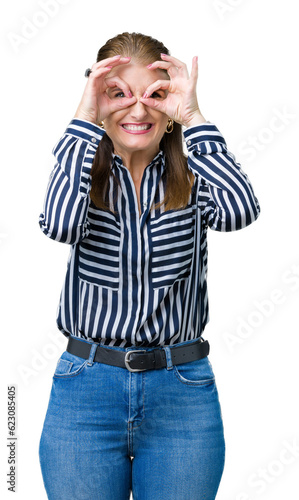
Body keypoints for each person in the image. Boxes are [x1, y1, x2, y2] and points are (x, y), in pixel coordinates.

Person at [38, 32, 260, 500]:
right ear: (99, 99)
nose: (137, 111)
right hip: (86, 392)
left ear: (170, 103)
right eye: (118, 94)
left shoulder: (195, 175)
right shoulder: (80, 170)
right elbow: (59, 223)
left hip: (181, 391)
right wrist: (85, 119)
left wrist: (193, 117)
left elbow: (240, 210)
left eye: (155, 95)